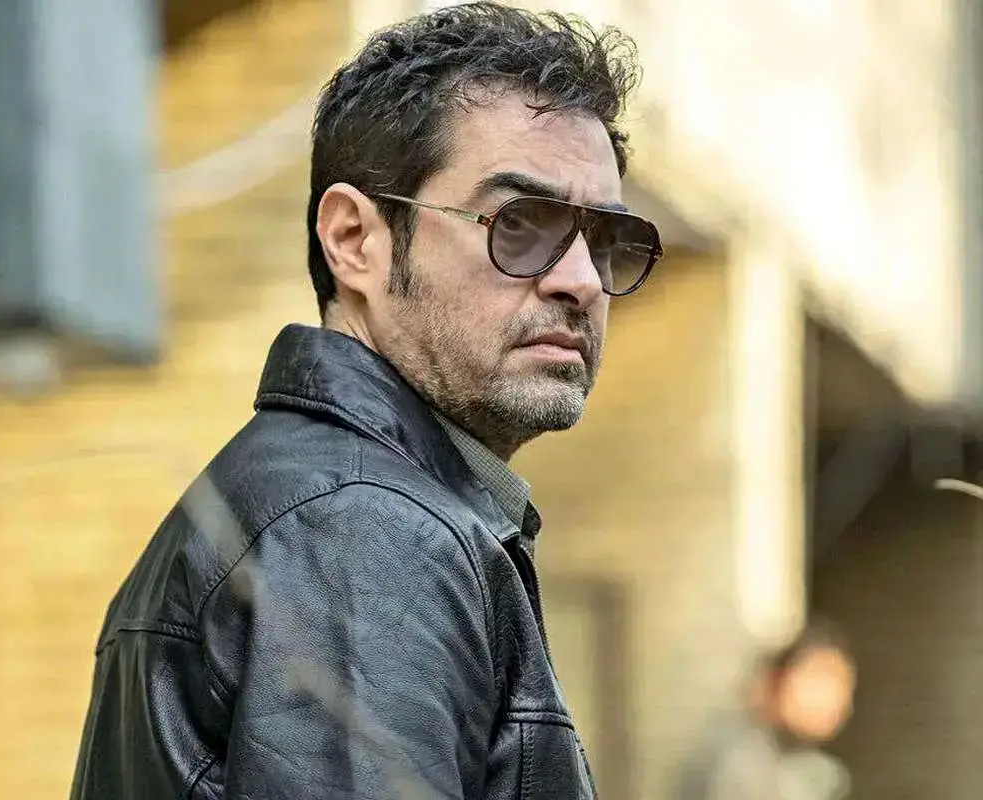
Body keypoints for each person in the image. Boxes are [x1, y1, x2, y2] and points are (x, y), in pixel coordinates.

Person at [71, 3, 661, 797]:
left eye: (605, 241)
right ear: (354, 239)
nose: (582, 282)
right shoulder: (363, 528)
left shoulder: (330, 503)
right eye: (521, 224)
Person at [675, 619, 858, 800]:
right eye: (820, 680)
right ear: (779, 675)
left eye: (844, 688)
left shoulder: (815, 775)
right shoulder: (733, 756)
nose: (833, 700)